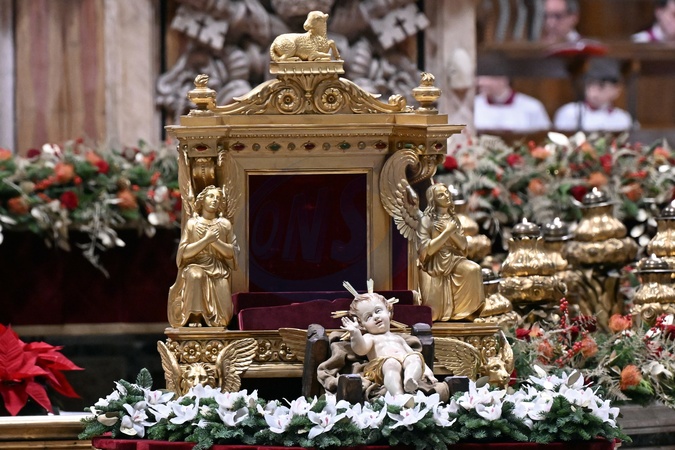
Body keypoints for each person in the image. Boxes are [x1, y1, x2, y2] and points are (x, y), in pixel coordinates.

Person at [340, 290, 437, 395]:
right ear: (362, 325)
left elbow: (411, 352)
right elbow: (360, 350)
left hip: (404, 365)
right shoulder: (370, 337)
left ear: (388, 312)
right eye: (368, 317)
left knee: (414, 358)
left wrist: (427, 370)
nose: (375, 317)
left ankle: (410, 380)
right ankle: (398, 396)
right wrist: (355, 333)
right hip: (384, 368)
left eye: (378, 311)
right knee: (391, 363)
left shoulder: (398, 338)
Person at [168, 185, 238, 327]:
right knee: (196, 275)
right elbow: (184, 253)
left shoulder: (224, 224)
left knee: (223, 319)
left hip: (218, 269)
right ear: (202, 200)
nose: (215, 200)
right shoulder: (192, 224)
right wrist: (205, 240)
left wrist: (215, 241)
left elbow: (232, 252)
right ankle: (195, 316)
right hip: (196, 265)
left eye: (218, 198)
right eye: (211, 196)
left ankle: (215, 318)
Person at [417, 184, 485, 321]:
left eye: (446, 192)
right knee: (432, 312)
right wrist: (447, 232)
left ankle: (466, 313)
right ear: (433, 200)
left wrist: (452, 232)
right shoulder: (426, 220)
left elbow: (463, 245)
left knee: (474, 269)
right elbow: (426, 249)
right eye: (441, 195)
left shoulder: (453, 219)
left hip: (454, 258)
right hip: (434, 262)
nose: (446, 196)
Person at [553, 58, 633, 132]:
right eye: (589, 85)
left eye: (601, 86)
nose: (593, 92)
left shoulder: (622, 118)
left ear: (616, 90)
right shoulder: (569, 113)